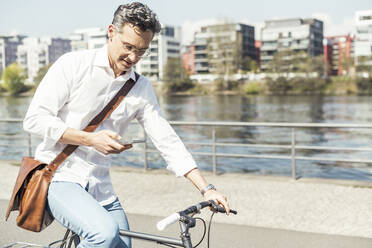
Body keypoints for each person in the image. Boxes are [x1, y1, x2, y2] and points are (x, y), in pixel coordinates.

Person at [23, 2, 230, 248]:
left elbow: (167, 140)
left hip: (101, 188)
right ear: (112, 32)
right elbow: (35, 119)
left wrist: (206, 189)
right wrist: (90, 139)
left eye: (141, 51)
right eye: (128, 47)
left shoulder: (140, 88)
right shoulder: (74, 65)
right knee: (103, 235)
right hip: (58, 176)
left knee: (121, 245)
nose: (133, 57)